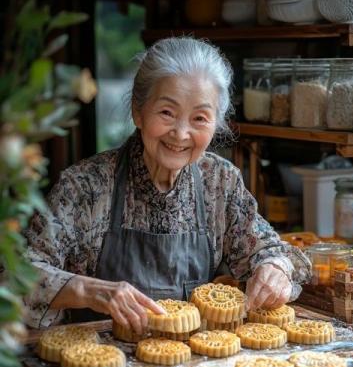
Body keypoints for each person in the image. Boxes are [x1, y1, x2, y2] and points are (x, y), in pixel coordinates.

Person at [24, 37, 311, 332]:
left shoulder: (220, 182)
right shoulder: (84, 187)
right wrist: (92, 291)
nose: (181, 133)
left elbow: (269, 250)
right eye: (166, 113)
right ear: (138, 110)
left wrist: (275, 269)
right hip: (95, 363)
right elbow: (18, 275)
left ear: (216, 124)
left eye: (199, 118)